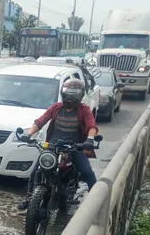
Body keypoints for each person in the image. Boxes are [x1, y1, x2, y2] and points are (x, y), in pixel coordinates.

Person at [18, 79, 99, 211]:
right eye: (69, 93)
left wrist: (89, 139)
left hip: (74, 147)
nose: (71, 96)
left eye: (74, 93)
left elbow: (92, 126)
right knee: (36, 171)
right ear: (63, 93)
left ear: (80, 95)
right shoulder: (56, 107)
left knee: (87, 172)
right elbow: (40, 121)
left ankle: (96, 202)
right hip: (53, 146)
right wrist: (29, 134)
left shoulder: (84, 110)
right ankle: (29, 198)